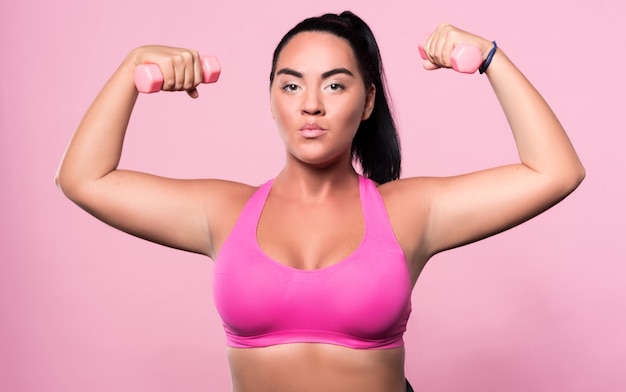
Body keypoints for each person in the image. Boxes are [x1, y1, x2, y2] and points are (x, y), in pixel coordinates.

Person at [55, 10, 585, 392]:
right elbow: (84, 178)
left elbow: (556, 171)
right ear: (270, 99)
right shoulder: (223, 212)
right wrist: (132, 69)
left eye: (335, 86)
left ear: (368, 99)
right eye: (291, 86)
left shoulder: (409, 211)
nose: (310, 104)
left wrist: (492, 58)